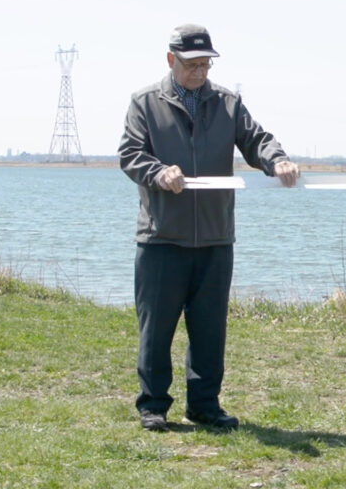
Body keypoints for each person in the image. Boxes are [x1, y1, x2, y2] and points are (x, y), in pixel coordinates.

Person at [118, 23, 300, 431]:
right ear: (171, 60)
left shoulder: (228, 104)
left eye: (206, 64)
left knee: (210, 330)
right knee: (156, 328)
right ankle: (153, 406)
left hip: (216, 238)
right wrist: (159, 172)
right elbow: (130, 155)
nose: (200, 72)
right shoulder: (145, 103)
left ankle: (203, 406)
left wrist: (277, 160)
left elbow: (257, 140)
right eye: (192, 65)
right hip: (162, 237)